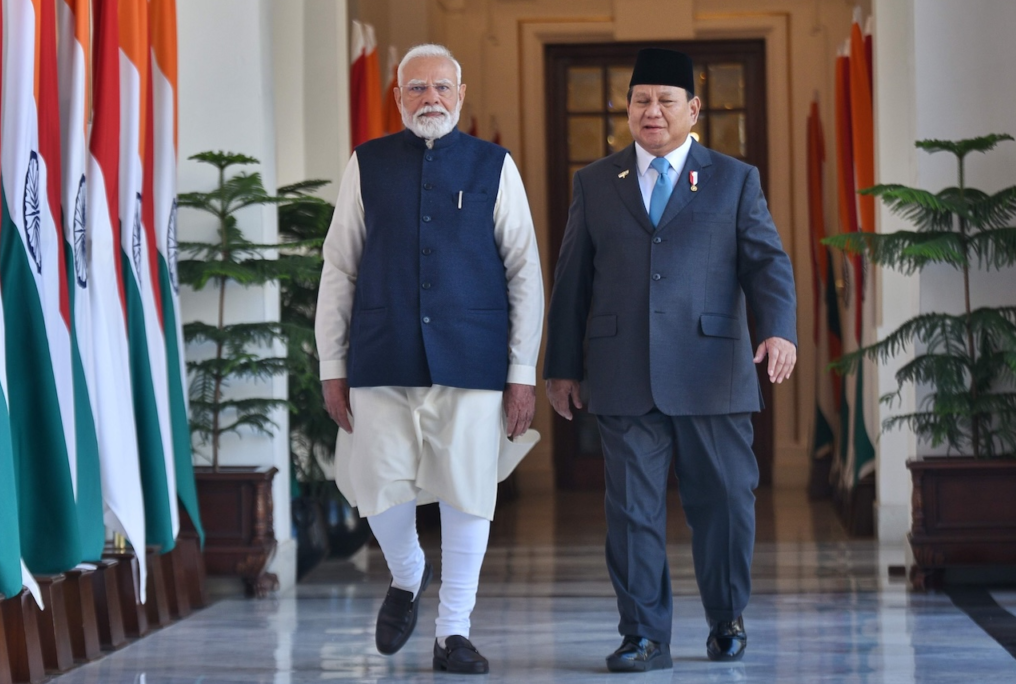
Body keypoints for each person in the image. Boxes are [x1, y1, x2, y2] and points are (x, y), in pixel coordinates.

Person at [544, 47, 797, 673]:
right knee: (630, 513)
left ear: (694, 110)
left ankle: (726, 619)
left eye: (664, 100)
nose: (651, 111)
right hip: (622, 372)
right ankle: (644, 635)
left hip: (713, 370)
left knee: (726, 505)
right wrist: (561, 366)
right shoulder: (596, 182)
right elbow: (572, 278)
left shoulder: (735, 178)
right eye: (639, 100)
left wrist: (780, 331)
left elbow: (767, 262)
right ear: (627, 110)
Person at [317, 43, 544, 675]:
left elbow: (524, 269)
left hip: (472, 359)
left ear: (461, 95)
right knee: (378, 484)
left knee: (467, 494)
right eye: (416, 89)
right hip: (381, 353)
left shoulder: (494, 165)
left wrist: (520, 373)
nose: (431, 100)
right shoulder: (367, 164)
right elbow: (340, 267)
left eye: (442, 88)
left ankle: (453, 634)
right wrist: (330, 366)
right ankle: (409, 571)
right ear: (397, 97)